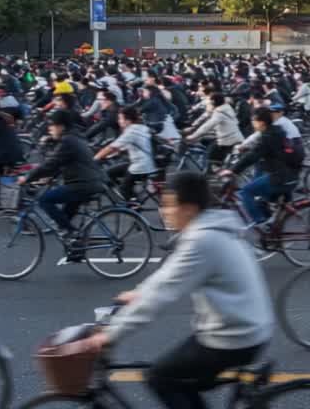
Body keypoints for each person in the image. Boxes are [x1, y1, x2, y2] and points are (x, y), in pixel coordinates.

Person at [84, 171, 272, 409]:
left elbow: (159, 297)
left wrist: (110, 334)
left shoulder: (202, 241)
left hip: (234, 336)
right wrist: (138, 293)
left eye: (169, 205)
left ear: (190, 209)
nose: (163, 211)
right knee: (182, 380)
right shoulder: (215, 226)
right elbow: (167, 276)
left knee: (160, 377)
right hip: (248, 325)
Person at [17, 110, 105, 255]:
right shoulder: (75, 137)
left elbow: (50, 164)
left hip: (82, 184)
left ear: (61, 126)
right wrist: (50, 177)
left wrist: (27, 178)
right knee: (64, 217)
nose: (49, 129)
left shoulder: (67, 141)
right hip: (89, 182)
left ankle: (73, 235)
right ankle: (76, 250)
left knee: (45, 200)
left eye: (52, 125)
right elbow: (64, 162)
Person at [230, 108, 299, 225]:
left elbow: (254, 155)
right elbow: (262, 150)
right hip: (291, 174)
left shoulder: (268, 136)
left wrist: (233, 170)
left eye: (254, 120)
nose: (252, 123)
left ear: (261, 122)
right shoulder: (277, 131)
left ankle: (259, 223)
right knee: (262, 197)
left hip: (280, 177)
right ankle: (271, 225)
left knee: (246, 192)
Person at [96, 107, 159, 201]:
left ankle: (133, 206)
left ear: (128, 120)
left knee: (123, 189)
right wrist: (112, 155)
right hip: (146, 163)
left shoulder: (131, 132)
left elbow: (112, 147)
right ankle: (132, 197)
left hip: (140, 166)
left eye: (120, 118)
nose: (119, 121)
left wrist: (96, 158)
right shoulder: (142, 127)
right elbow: (124, 147)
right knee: (109, 172)